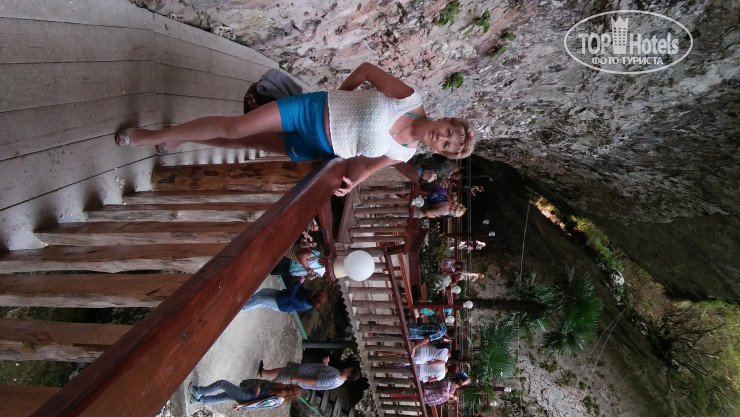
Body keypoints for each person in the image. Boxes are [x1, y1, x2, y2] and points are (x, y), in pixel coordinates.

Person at [115, 62, 475, 196]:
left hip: (317, 148)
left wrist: (351, 184)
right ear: (445, 120)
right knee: (237, 128)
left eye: (446, 145)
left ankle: (179, 136)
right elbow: (367, 70)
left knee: (244, 142)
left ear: (438, 152)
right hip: (312, 111)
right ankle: (152, 136)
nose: (441, 138)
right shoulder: (409, 100)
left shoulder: (404, 153)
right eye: (448, 132)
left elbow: (368, 165)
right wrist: (340, 94)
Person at [188, 379, 301, 411]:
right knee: (222, 396)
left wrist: (242, 405)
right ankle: (198, 400)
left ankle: (199, 392)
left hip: (244, 397)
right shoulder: (280, 386)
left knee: (222, 384)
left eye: (292, 386)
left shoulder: (278, 400)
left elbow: (259, 404)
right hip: (246, 391)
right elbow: (264, 382)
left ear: (291, 390)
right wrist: (258, 386)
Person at [240, 277, 327, 313]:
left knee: (259, 301)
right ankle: (247, 301)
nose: (314, 291)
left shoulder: (305, 305)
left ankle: (240, 308)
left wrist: (298, 283)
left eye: (316, 292)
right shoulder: (310, 294)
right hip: (282, 295)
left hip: (281, 304)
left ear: (315, 298)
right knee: (264, 291)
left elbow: (291, 296)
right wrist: (302, 279)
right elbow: (302, 289)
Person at [259, 360, 361, 390]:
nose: (348, 367)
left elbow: (316, 383)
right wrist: (325, 364)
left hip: (301, 374)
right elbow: (323, 376)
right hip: (303, 369)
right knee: (283, 370)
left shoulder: (335, 379)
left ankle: (259, 387)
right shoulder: (338, 375)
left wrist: (297, 379)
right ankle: (263, 372)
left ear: (349, 373)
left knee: (279, 379)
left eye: (349, 368)